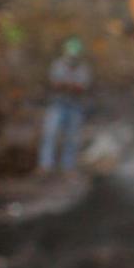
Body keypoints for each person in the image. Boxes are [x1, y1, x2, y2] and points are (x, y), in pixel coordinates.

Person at [39, 37, 91, 171]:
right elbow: (55, 84)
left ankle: (68, 167)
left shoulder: (83, 68)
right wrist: (70, 85)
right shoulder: (58, 65)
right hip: (57, 104)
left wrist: (66, 85)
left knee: (72, 138)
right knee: (50, 135)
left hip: (75, 106)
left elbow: (81, 87)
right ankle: (46, 166)